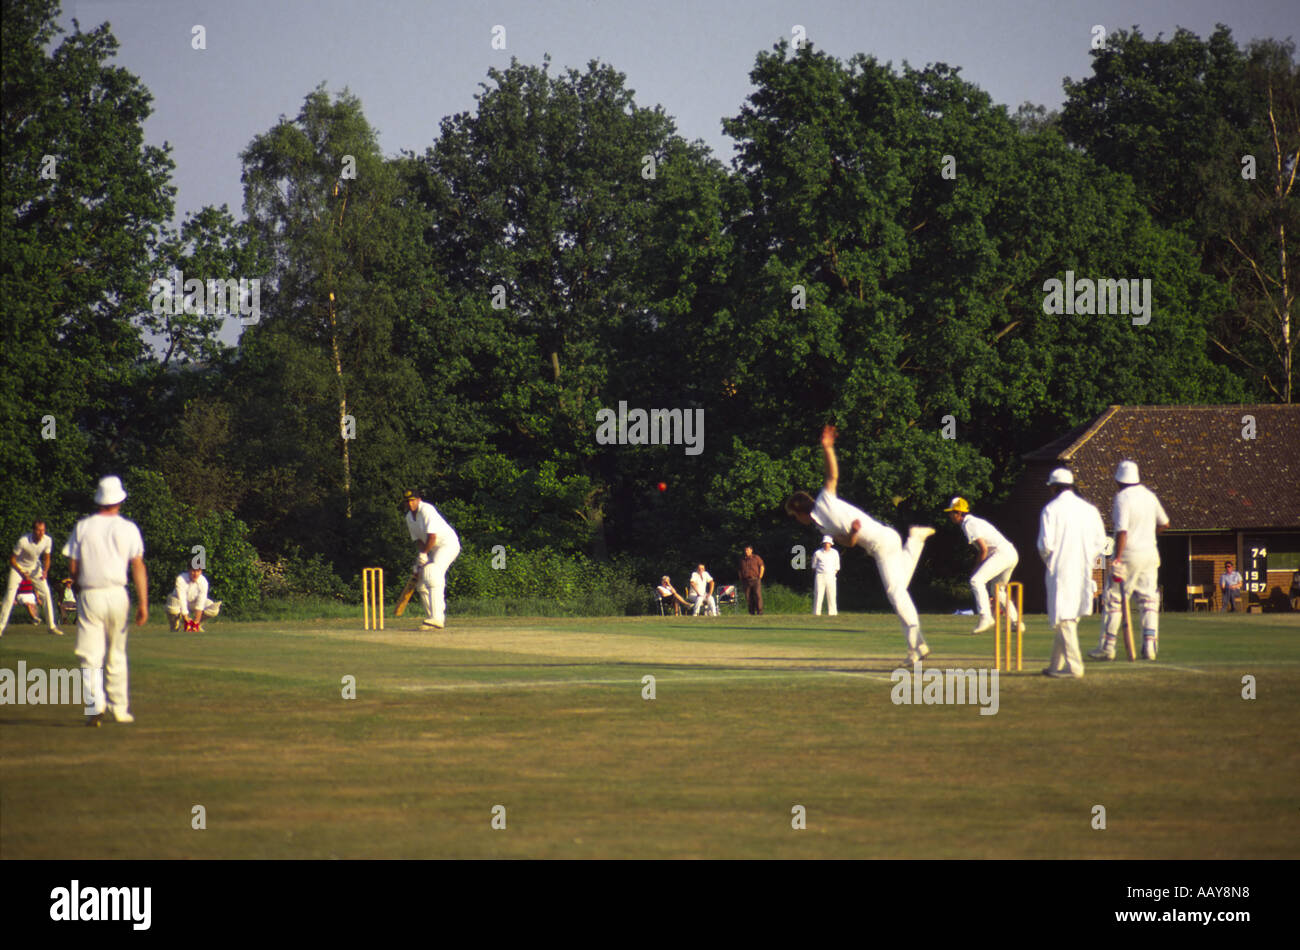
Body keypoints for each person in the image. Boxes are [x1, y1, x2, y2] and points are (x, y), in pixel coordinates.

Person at [785, 425, 935, 665]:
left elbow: (832, 475)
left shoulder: (823, 500)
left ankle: (916, 647)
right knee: (899, 592)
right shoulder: (822, 528)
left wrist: (827, 448)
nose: (796, 521)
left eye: (794, 516)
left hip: (883, 543)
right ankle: (916, 646)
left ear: (799, 510)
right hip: (881, 545)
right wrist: (854, 533)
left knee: (896, 593)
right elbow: (849, 543)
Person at [68, 476, 148, 726]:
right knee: (117, 652)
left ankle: (96, 704)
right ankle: (120, 708)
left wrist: (79, 585)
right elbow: (138, 565)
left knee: (91, 654)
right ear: (120, 500)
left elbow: (72, 564)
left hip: (91, 593)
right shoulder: (129, 528)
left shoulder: (83, 527)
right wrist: (143, 603)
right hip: (118, 594)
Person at [1091, 460, 1170, 661]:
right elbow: (1165, 523)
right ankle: (1150, 646)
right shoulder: (1150, 496)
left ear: (1120, 480)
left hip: (1128, 555)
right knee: (1149, 600)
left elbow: (1122, 531)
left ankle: (1108, 647)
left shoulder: (1121, 498)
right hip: (1150, 553)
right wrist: (1148, 534)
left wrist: (1117, 558)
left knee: (1114, 599)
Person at [1038, 468, 1108, 678]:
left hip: (1060, 570)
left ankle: (1075, 668)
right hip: (1084, 568)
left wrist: (1051, 562)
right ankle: (1054, 666)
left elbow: (1044, 545)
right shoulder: (1089, 509)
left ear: (1054, 487)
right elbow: (1100, 541)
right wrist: (1087, 558)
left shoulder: (1050, 509)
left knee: (1065, 618)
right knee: (1067, 617)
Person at [944, 497, 1022, 636]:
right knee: (997, 591)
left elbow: (983, 549)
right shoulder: (973, 522)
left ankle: (986, 617)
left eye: (952, 512)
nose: (950, 515)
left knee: (976, 580)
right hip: (1010, 553)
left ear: (960, 513)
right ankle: (1016, 623)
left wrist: (976, 568)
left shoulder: (968, 523)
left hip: (1001, 553)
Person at [403, 489, 460, 629]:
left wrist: (424, 554)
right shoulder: (409, 518)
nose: (411, 504)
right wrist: (422, 556)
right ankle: (431, 618)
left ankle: (438, 618)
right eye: (408, 501)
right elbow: (419, 540)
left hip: (448, 544)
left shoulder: (427, 510)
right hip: (432, 548)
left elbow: (432, 537)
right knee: (421, 582)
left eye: (413, 500)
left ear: (418, 500)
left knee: (432, 573)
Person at [1, 518, 60, 637]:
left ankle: (51, 626)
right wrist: (22, 572)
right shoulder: (23, 541)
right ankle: (1, 627)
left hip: (35, 568)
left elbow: (47, 558)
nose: (41, 533)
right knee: (10, 596)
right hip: (18, 568)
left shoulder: (48, 540)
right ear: (33, 530)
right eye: (38, 530)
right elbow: (12, 559)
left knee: (46, 594)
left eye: (43, 530)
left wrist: (45, 571)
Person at [166, 566, 222, 632]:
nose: (195, 574)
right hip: (178, 602)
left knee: (214, 609)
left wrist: (196, 621)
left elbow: (200, 602)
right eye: (193, 571)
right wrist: (186, 618)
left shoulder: (203, 581)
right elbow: (182, 598)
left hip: (194, 603)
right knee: (173, 609)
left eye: (198, 571)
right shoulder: (181, 579)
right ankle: (175, 625)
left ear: (201, 572)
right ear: (188, 570)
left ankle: (197, 624)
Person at [811, 535, 840, 615]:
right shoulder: (817, 553)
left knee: (832, 595)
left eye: (828, 543)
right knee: (818, 594)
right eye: (825, 543)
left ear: (831, 544)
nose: (826, 544)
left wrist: (832, 574)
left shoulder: (835, 553)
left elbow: (837, 566)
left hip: (831, 576)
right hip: (820, 576)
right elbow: (814, 566)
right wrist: (820, 573)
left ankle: (832, 613)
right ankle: (816, 612)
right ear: (823, 543)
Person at [738, 545, 765, 615]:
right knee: (748, 597)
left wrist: (760, 576)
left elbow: (762, 566)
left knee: (757, 595)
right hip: (746, 580)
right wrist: (741, 578)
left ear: (751, 550)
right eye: (745, 550)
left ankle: (760, 612)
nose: (746, 551)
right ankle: (751, 612)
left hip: (755, 579)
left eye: (748, 550)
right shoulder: (742, 560)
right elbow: (739, 570)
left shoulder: (756, 558)